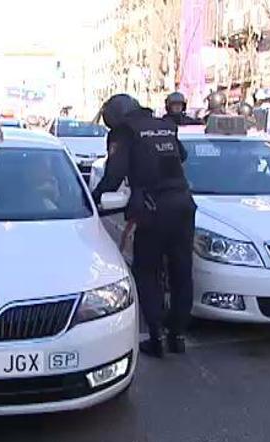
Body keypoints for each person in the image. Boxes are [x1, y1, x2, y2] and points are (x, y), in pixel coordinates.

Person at [91, 94, 196, 358]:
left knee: (147, 271)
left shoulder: (124, 132)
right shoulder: (163, 125)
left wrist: (93, 199)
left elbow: (113, 175)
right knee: (182, 271)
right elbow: (180, 156)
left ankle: (157, 336)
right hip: (183, 203)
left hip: (153, 207)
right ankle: (178, 336)